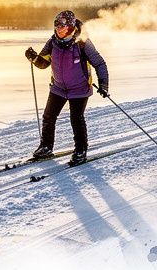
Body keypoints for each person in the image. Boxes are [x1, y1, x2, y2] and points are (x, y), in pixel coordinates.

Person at [24, 10, 109, 166]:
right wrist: (34, 58)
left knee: (76, 119)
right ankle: (46, 147)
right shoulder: (52, 43)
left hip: (79, 89)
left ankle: (81, 150)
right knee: (49, 116)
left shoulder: (82, 43)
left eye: (62, 26)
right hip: (58, 87)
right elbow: (43, 63)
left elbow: (99, 63)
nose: (58, 29)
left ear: (70, 27)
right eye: (56, 26)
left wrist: (103, 84)